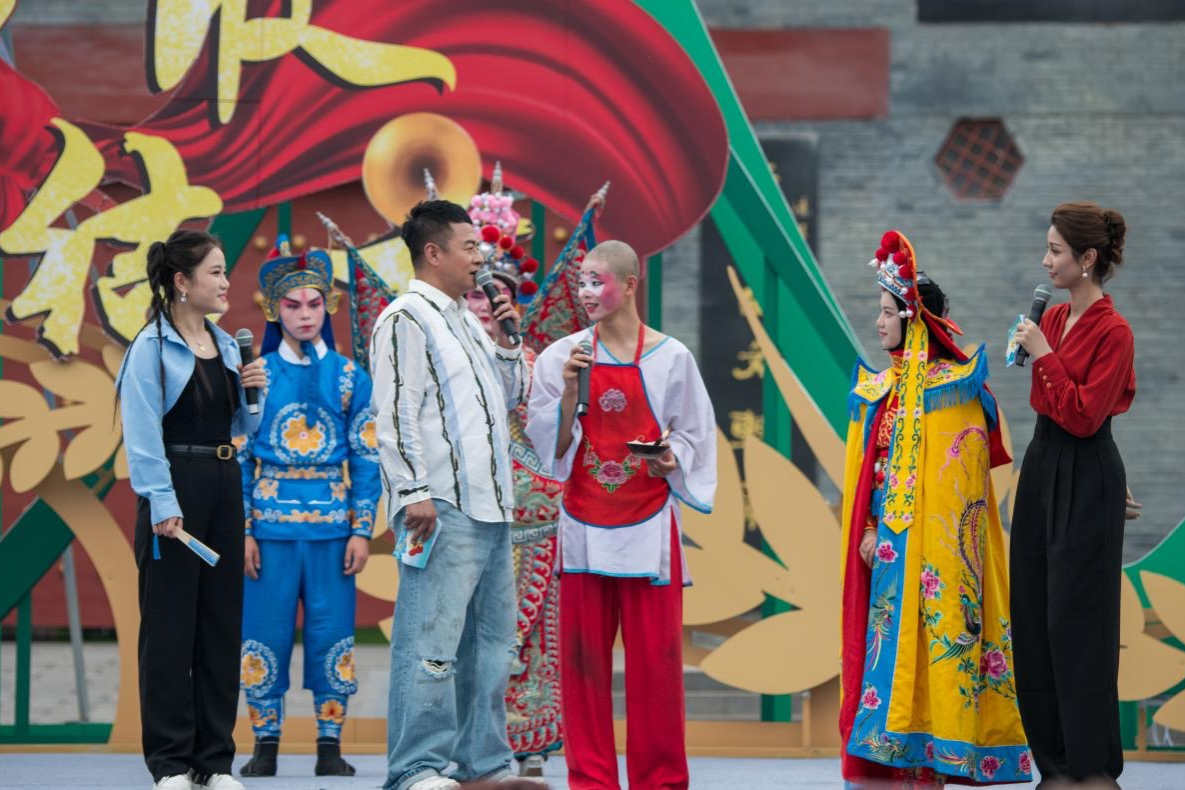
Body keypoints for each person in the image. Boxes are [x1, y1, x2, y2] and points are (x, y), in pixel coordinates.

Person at [838, 230, 1029, 787]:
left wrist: (930, 546)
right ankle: (897, 769)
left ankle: (937, 769)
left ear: (914, 319)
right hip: (888, 557)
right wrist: (869, 527)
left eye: (887, 312)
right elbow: (868, 476)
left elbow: (964, 490)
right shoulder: (879, 390)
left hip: (943, 564)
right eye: (879, 311)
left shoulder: (959, 390)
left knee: (941, 658)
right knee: (891, 662)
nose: (878, 322)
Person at [525, 240, 716, 790]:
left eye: (598, 281)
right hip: (583, 527)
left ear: (630, 285)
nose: (586, 292)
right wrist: (568, 393)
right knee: (582, 669)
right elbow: (550, 452)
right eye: (582, 282)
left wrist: (669, 457)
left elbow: (695, 433)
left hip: (649, 527)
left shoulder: (671, 358)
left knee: (657, 667)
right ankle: (591, 781)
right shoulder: (561, 357)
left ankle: (661, 781)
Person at [370, 199, 529, 790]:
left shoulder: (466, 320)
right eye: (469, 247)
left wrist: (508, 342)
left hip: (491, 506)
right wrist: (413, 490)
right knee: (431, 643)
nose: (479, 258)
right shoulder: (406, 318)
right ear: (433, 253)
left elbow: (506, 400)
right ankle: (416, 767)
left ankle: (483, 764)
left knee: (491, 648)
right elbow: (396, 412)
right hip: (441, 507)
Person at [115, 229, 265, 790]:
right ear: (182, 281)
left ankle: (214, 762)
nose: (226, 283)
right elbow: (142, 434)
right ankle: (171, 763)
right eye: (216, 272)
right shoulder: (151, 348)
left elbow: (241, 426)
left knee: (220, 627)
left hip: (225, 482)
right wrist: (161, 500)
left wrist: (254, 392)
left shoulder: (226, 345)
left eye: (225, 272)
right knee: (170, 629)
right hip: (174, 487)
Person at [235, 237, 381, 778]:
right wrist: (243, 530)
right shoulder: (256, 375)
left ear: (328, 307)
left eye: (314, 304)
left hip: (332, 531)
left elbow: (366, 456)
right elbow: (240, 459)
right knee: (263, 633)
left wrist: (361, 529)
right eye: (293, 305)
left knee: (331, 634)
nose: (304, 314)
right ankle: (264, 744)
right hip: (269, 530)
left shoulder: (350, 376)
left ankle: (329, 745)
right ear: (276, 311)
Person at [1011, 202, 1136, 786]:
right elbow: (1048, 405)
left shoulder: (1114, 331)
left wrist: (1043, 355)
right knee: (1034, 615)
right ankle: (1054, 765)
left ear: (1087, 259)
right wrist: (1042, 350)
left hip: (1086, 469)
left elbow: (1086, 416)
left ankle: (1091, 768)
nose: (1046, 261)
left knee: (1078, 623)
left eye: (1055, 250)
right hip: (1043, 466)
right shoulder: (1056, 319)